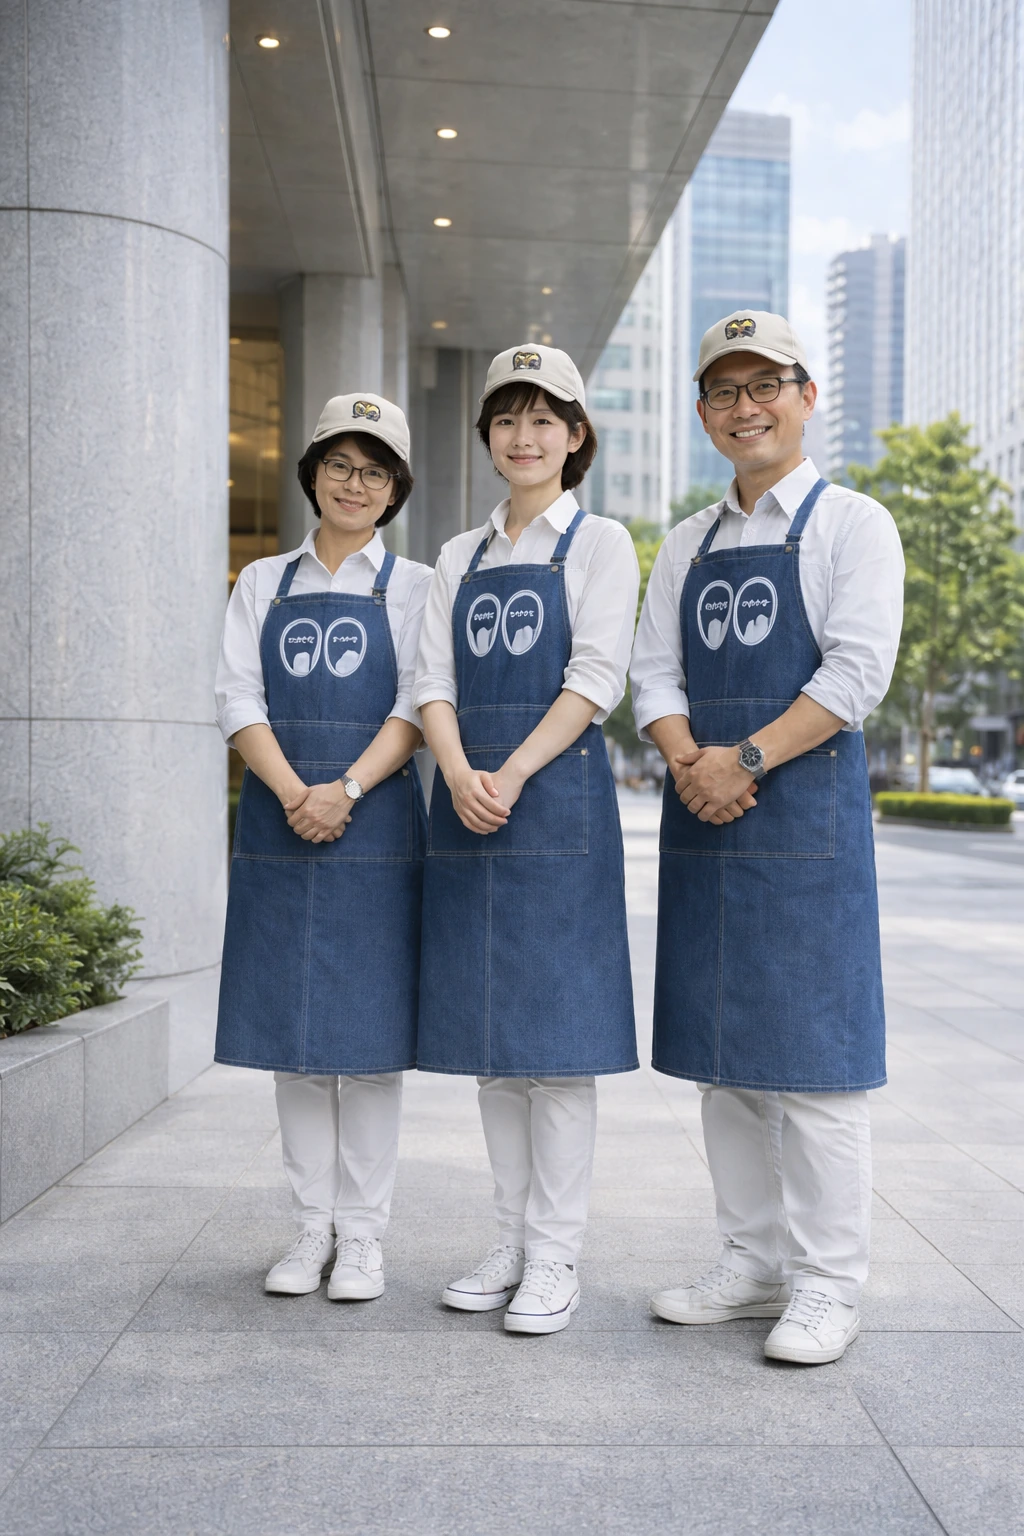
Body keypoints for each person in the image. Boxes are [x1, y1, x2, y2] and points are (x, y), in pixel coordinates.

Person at [631, 311, 904, 1364]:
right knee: (727, 1064)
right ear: (704, 412)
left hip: (804, 824)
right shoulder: (688, 542)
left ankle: (829, 1283)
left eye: (764, 386)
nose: (745, 408)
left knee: (819, 1067)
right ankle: (751, 1264)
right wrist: (689, 762)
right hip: (706, 820)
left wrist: (738, 762)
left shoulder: (853, 525)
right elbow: (653, 675)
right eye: (724, 392)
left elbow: (855, 673)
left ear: (804, 397)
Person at [414, 344, 639, 1334]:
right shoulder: (456, 557)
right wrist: (458, 771)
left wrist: (506, 773)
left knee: (558, 1047)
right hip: (467, 805)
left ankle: (554, 1257)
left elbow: (595, 678)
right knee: (494, 1048)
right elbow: (430, 681)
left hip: (554, 809)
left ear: (575, 435)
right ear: (488, 435)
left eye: (544, 418)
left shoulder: (600, 543)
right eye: (507, 418)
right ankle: (508, 1240)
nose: (524, 435)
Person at [214, 393, 431, 1303]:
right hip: (280, 821)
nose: (355, 484)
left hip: (374, 825)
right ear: (312, 475)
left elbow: (418, 706)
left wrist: (343, 790)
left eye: (374, 471)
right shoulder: (262, 581)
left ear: (394, 490)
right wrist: (293, 792)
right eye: (340, 465)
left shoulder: (418, 586)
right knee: (295, 1043)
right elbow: (237, 698)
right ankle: (311, 1229)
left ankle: (365, 1237)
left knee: (368, 1046)